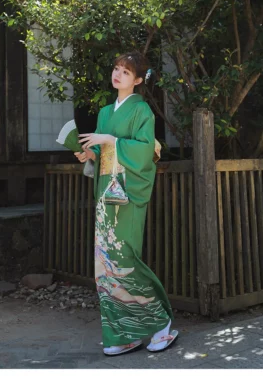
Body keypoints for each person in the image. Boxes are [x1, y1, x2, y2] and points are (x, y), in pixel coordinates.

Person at [74, 52, 178, 356]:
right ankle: (124, 333)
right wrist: (90, 154)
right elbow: (103, 151)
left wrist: (110, 141)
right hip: (106, 193)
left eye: (126, 71)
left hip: (128, 194)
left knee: (125, 260)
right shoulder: (106, 112)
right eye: (116, 68)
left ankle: (160, 325)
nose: (118, 74)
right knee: (105, 265)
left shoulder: (142, 110)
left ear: (137, 80)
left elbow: (146, 151)